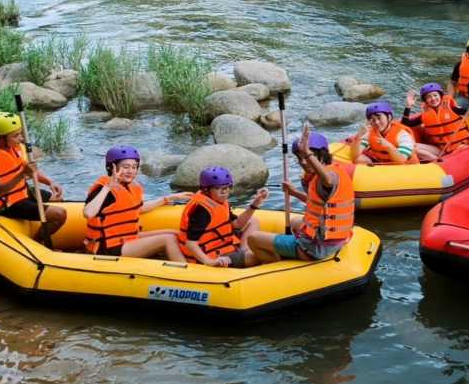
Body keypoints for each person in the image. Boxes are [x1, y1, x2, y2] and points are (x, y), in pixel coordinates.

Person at [248, 126, 355, 263]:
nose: (303, 162)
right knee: (295, 222)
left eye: (308, 157)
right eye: (300, 158)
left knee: (253, 238)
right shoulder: (335, 171)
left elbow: (328, 180)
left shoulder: (329, 176)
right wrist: (294, 193)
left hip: (315, 248)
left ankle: (277, 265)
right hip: (335, 240)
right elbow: (318, 203)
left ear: (322, 155)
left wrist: (306, 151)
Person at [0, 111, 66, 246]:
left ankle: (39, 233)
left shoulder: (16, 147)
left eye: (20, 133)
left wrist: (50, 182)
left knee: (59, 199)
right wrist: (22, 174)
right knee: (60, 214)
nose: (20, 139)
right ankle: (37, 243)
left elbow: (31, 170)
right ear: (0, 138)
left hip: (23, 193)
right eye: (15, 135)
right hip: (7, 204)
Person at [82, 146, 191, 260]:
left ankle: (190, 261)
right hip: (107, 247)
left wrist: (169, 198)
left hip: (127, 237)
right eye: (126, 167)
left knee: (175, 234)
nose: (131, 171)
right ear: (112, 168)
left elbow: (139, 208)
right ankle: (187, 274)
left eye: (134, 167)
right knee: (168, 238)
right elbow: (88, 213)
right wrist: (108, 187)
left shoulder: (130, 187)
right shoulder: (103, 190)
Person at [177, 166, 267, 268]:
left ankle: (243, 252)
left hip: (224, 244)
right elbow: (190, 243)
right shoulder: (202, 211)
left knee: (252, 221)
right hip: (213, 255)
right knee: (260, 256)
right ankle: (245, 256)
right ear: (206, 190)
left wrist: (254, 204)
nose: (224, 192)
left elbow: (236, 224)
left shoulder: (219, 201)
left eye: (227, 187)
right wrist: (210, 262)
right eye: (218, 188)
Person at [403, 83, 469, 162]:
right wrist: (408, 106)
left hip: (460, 146)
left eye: (435, 95)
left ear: (440, 96)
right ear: (426, 101)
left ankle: (442, 162)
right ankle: (437, 162)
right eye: (429, 97)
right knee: (412, 147)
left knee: (461, 149)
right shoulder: (424, 116)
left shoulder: (453, 109)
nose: (433, 99)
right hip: (442, 150)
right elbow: (405, 124)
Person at [350, 101, 417, 164]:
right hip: (382, 165)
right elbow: (354, 156)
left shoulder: (403, 135)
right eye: (373, 119)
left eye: (379, 118)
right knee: (358, 160)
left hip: (403, 168)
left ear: (389, 117)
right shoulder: (370, 133)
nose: (376, 122)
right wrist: (358, 136)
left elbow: (402, 160)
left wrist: (389, 147)